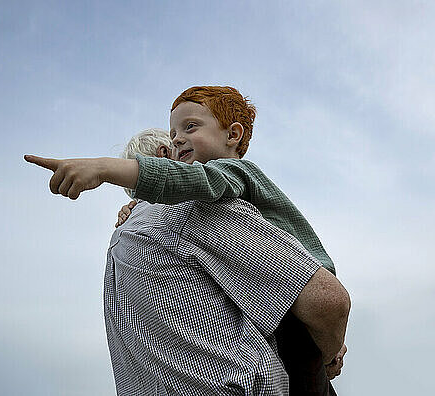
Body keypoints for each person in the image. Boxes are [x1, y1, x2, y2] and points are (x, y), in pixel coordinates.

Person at [24, 86, 351, 394]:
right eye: (174, 133)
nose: (179, 140)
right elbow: (326, 306)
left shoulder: (229, 177)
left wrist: (106, 169)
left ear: (233, 135)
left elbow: (328, 302)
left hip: (294, 315)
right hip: (289, 313)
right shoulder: (189, 212)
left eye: (190, 128)